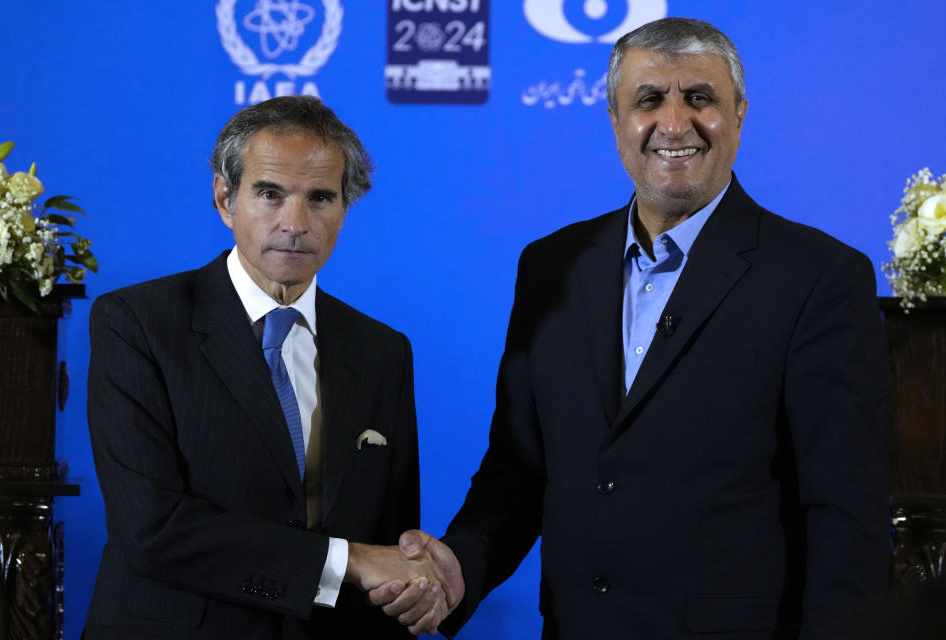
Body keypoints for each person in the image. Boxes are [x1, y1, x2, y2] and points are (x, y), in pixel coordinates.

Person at [373, 17, 891, 639]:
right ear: (616, 122)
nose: (675, 124)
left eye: (700, 97)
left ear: (740, 115)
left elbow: (847, 516)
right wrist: (460, 564)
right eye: (649, 100)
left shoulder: (820, 277)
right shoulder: (550, 267)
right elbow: (520, 468)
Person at [83, 96, 449, 639]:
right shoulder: (136, 323)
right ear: (225, 198)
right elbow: (152, 529)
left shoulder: (382, 350)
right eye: (270, 194)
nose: (295, 223)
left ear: (346, 208)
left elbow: (387, 549)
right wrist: (345, 560)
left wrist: (412, 586)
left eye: (321, 197)